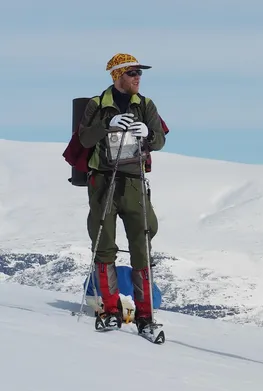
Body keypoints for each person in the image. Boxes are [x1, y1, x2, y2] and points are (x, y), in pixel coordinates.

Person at [78, 53, 167, 333]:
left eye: (139, 73)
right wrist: (108, 125)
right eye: (132, 73)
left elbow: (160, 139)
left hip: (133, 181)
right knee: (104, 244)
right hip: (103, 181)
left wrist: (149, 135)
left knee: (142, 242)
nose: (137, 78)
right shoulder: (97, 105)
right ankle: (110, 309)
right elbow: (84, 138)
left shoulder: (146, 105)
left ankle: (145, 315)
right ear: (117, 76)